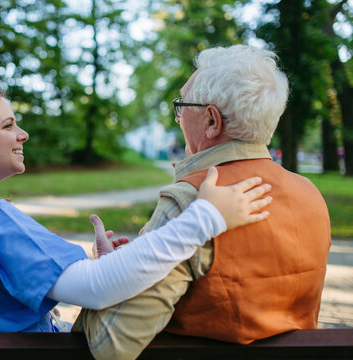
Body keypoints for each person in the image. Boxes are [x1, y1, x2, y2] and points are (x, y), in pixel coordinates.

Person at [0, 85, 272, 333]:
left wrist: (102, 264)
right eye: (8, 126)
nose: (23, 135)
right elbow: (97, 290)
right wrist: (205, 218)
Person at [72, 44, 331, 359]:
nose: (178, 117)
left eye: (182, 105)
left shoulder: (192, 200)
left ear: (211, 121)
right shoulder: (309, 193)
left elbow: (111, 345)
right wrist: (127, 266)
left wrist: (107, 279)